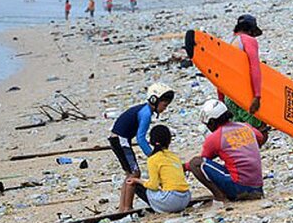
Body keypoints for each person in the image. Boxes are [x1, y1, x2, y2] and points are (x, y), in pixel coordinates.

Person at [109, 82, 175, 212]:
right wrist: (153, 156)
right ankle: (127, 208)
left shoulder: (144, 110)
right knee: (134, 173)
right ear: (155, 100)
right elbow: (140, 138)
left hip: (118, 139)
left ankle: (122, 208)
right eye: (164, 105)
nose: (164, 109)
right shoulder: (146, 114)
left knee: (129, 173)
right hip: (121, 140)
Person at [186, 100, 267, 201]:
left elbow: (204, 160)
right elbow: (260, 138)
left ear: (212, 122)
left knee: (196, 163)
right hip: (257, 186)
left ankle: (220, 197)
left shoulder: (215, 137)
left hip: (240, 186)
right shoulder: (245, 126)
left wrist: (184, 167)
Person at [124, 125, 191, 213]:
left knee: (136, 185)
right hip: (185, 198)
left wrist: (137, 180)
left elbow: (153, 185)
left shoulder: (153, 159)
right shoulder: (174, 156)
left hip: (171, 201)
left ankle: (127, 208)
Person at [221, 14, 265, 128]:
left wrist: (222, 101)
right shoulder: (248, 40)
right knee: (258, 131)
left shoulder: (229, 43)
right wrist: (257, 96)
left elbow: (220, 74)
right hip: (243, 94)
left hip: (229, 97)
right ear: (251, 30)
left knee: (239, 133)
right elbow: (254, 67)